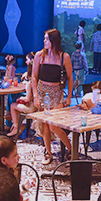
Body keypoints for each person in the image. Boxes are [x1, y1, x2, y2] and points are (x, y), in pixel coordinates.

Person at [31, 29, 73, 164]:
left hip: (56, 93)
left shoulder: (64, 57)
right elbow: (34, 77)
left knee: (53, 124)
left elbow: (70, 77)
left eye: (47, 39)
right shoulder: (39, 55)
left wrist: (69, 96)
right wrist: (35, 96)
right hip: (42, 91)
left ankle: (71, 149)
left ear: (54, 41)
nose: (44, 41)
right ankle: (48, 153)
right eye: (44, 38)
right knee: (44, 124)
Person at [8, 52, 38, 138]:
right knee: (16, 104)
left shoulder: (29, 83)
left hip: (31, 108)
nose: (25, 62)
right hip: (37, 106)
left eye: (27, 60)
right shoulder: (36, 79)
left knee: (13, 105)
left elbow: (27, 98)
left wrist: (20, 98)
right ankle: (19, 126)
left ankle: (16, 127)